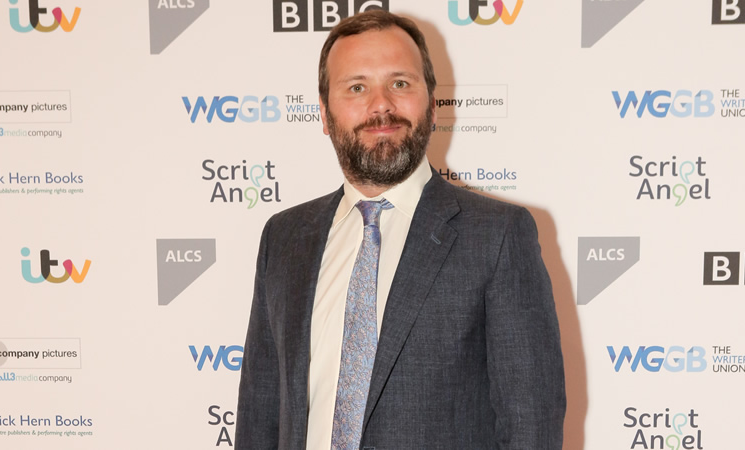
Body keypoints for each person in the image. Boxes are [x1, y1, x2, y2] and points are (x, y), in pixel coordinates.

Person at [235, 10, 565, 449]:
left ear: (432, 104)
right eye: (357, 87)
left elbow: (531, 426)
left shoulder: (498, 236)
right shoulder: (284, 237)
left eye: (400, 83)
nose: (381, 105)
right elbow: (260, 412)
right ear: (324, 113)